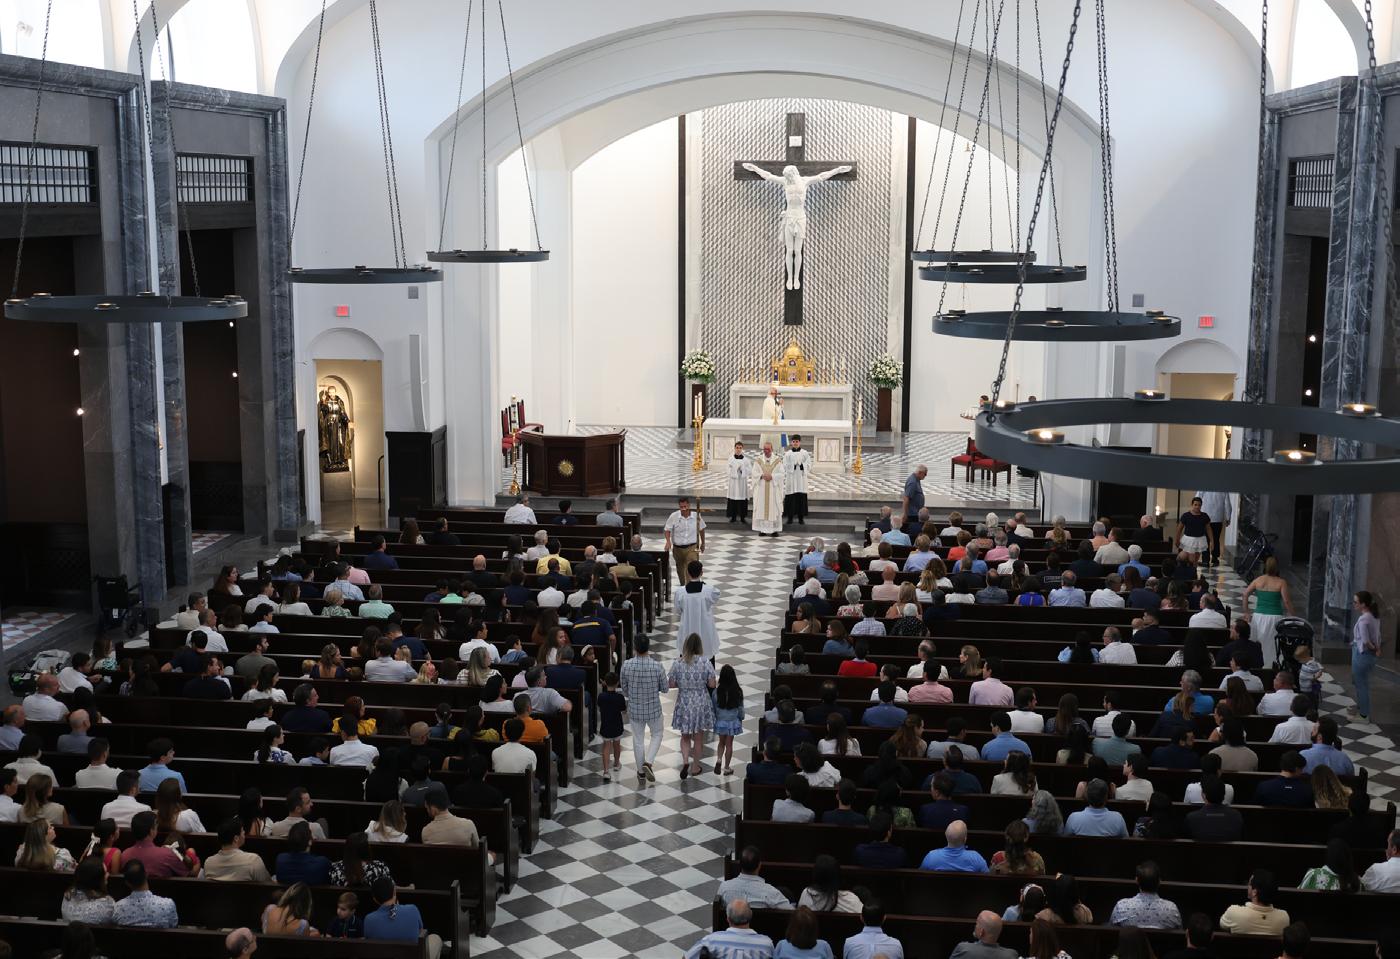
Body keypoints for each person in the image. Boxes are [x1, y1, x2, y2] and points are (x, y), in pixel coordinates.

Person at [669, 632, 718, 778]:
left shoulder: (678, 663)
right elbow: (712, 684)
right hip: (700, 702)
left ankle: (685, 761)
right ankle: (695, 767)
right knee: (698, 738)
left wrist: (683, 684)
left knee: (685, 736)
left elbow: (671, 684)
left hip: (684, 702)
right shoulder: (705, 662)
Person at [685, 898, 775, 959]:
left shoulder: (711, 940)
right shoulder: (766, 944)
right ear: (751, 916)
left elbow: (687, 957)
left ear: (728, 919)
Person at [717, 845, 794, 909]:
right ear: (759, 865)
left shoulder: (724, 887)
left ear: (739, 864)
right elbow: (790, 911)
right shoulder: (771, 893)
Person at [1109, 861, 1182, 928]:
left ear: (1137, 880)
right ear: (1159, 881)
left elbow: (1111, 931)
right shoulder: (1171, 909)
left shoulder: (1121, 906)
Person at [1219, 870, 1290, 935]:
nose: (1247, 886)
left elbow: (1222, 926)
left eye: (1249, 884)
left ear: (1254, 892)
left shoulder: (1233, 912)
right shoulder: (1284, 918)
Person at [675, 560, 722, 660]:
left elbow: (678, 610)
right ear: (701, 573)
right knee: (706, 653)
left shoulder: (680, 592)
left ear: (688, 573)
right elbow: (717, 595)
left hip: (687, 629)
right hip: (705, 630)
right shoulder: (709, 590)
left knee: (687, 655)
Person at [113, 860, 178, 928]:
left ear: (127, 883)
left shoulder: (117, 909)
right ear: (146, 875)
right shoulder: (168, 905)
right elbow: (173, 926)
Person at [1349, 590, 1382, 722]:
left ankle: (1363, 715)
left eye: (1355, 602)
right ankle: (1361, 708)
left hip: (1362, 654)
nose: (1354, 604)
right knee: (1361, 682)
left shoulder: (1364, 619)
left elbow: (1366, 641)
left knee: (1361, 684)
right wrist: (1377, 648)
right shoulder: (1374, 616)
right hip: (1366, 654)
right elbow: (1377, 636)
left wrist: (1374, 648)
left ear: (1363, 604)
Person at [204, 817, 272, 881]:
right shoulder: (253, 860)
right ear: (236, 838)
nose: (244, 832)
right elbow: (267, 884)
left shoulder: (209, 863)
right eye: (242, 831)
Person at [1064, 779, 1129, 837]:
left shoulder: (1073, 818)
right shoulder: (1118, 818)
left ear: (1087, 796)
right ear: (1106, 797)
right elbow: (1126, 839)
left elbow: (1066, 840)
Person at [664, 496, 706, 584]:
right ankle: (683, 585)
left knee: (691, 567)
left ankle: (690, 586)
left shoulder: (696, 516)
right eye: (681, 507)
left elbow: (701, 529)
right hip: (678, 548)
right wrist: (668, 541)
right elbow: (667, 529)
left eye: (685, 506)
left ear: (689, 505)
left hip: (692, 547)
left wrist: (703, 543)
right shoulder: (674, 516)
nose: (683, 509)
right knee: (680, 569)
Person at [920, 820, 989, 872]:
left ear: (946, 835)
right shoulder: (976, 858)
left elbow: (920, 876)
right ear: (965, 839)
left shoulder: (931, 856)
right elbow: (988, 878)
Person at [946, 910, 1016, 959]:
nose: (975, 926)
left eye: (977, 923)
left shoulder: (963, 949)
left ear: (981, 932)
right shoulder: (1011, 955)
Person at [1174, 498, 1214, 565]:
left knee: (1195, 560)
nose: (1197, 507)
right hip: (1188, 540)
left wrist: (1212, 541)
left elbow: (1209, 529)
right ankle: (1178, 567)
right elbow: (1179, 529)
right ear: (1192, 505)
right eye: (1195, 505)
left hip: (1200, 540)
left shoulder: (1204, 516)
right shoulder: (1186, 515)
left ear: (1201, 506)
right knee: (1184, 557)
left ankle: (1193, 570)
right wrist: (1177, 540)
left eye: (1199, 505)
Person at [783, 434, 812, 524]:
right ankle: (790, 518)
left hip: (801, 480)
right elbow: (784, 465)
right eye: (794, 441)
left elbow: (809, 465)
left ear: (800, 442)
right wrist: (793, 465)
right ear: (791, 443)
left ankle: (801, 518)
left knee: (801, 498)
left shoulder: (805, 453)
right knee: (791, 498)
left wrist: (802, 464)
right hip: (791, 479)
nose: (795, 443)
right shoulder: (788, 454)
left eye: (797, 441)